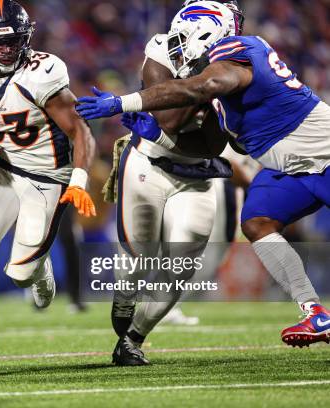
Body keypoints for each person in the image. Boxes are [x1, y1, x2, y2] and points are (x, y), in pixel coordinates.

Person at [76, 0, 330, 347]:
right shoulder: (220, 79)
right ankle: (315, 314)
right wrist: (160, 135)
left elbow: (203, 87)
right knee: (258, 221)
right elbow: (228, 142)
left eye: (186, 40)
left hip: (323, 156)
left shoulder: (236, 50)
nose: (180, 52)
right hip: (290, 168)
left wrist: (123, 102)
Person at [0, 0, 97, 374]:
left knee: (19, 273)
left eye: (13, 41)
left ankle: (39, 268)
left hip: (45, 175)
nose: (5, 49)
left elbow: (79, 129)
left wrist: (79, 180)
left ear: (27, 38)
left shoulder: (43, 72)